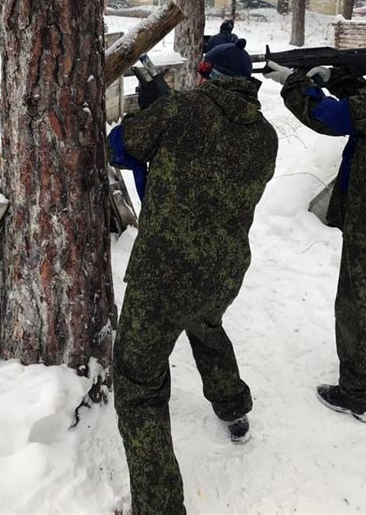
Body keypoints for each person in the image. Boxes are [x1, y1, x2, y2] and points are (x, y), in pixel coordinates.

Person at [107, 39, 278, 515]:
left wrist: (144, 117)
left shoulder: (181, 110)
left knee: (139, 383)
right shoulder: (266, 136)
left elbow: (119, 148)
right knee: (205, 325)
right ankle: (234, 407)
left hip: (164, 272)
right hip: (222, 271)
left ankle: (160, 507)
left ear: (205, 74)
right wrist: (166, 116)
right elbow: (211, 164)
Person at [264, 19, 366, 424]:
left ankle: (358, 393)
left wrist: (294, 85)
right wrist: (338, 78)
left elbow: (332, 118)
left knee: (358, 306)